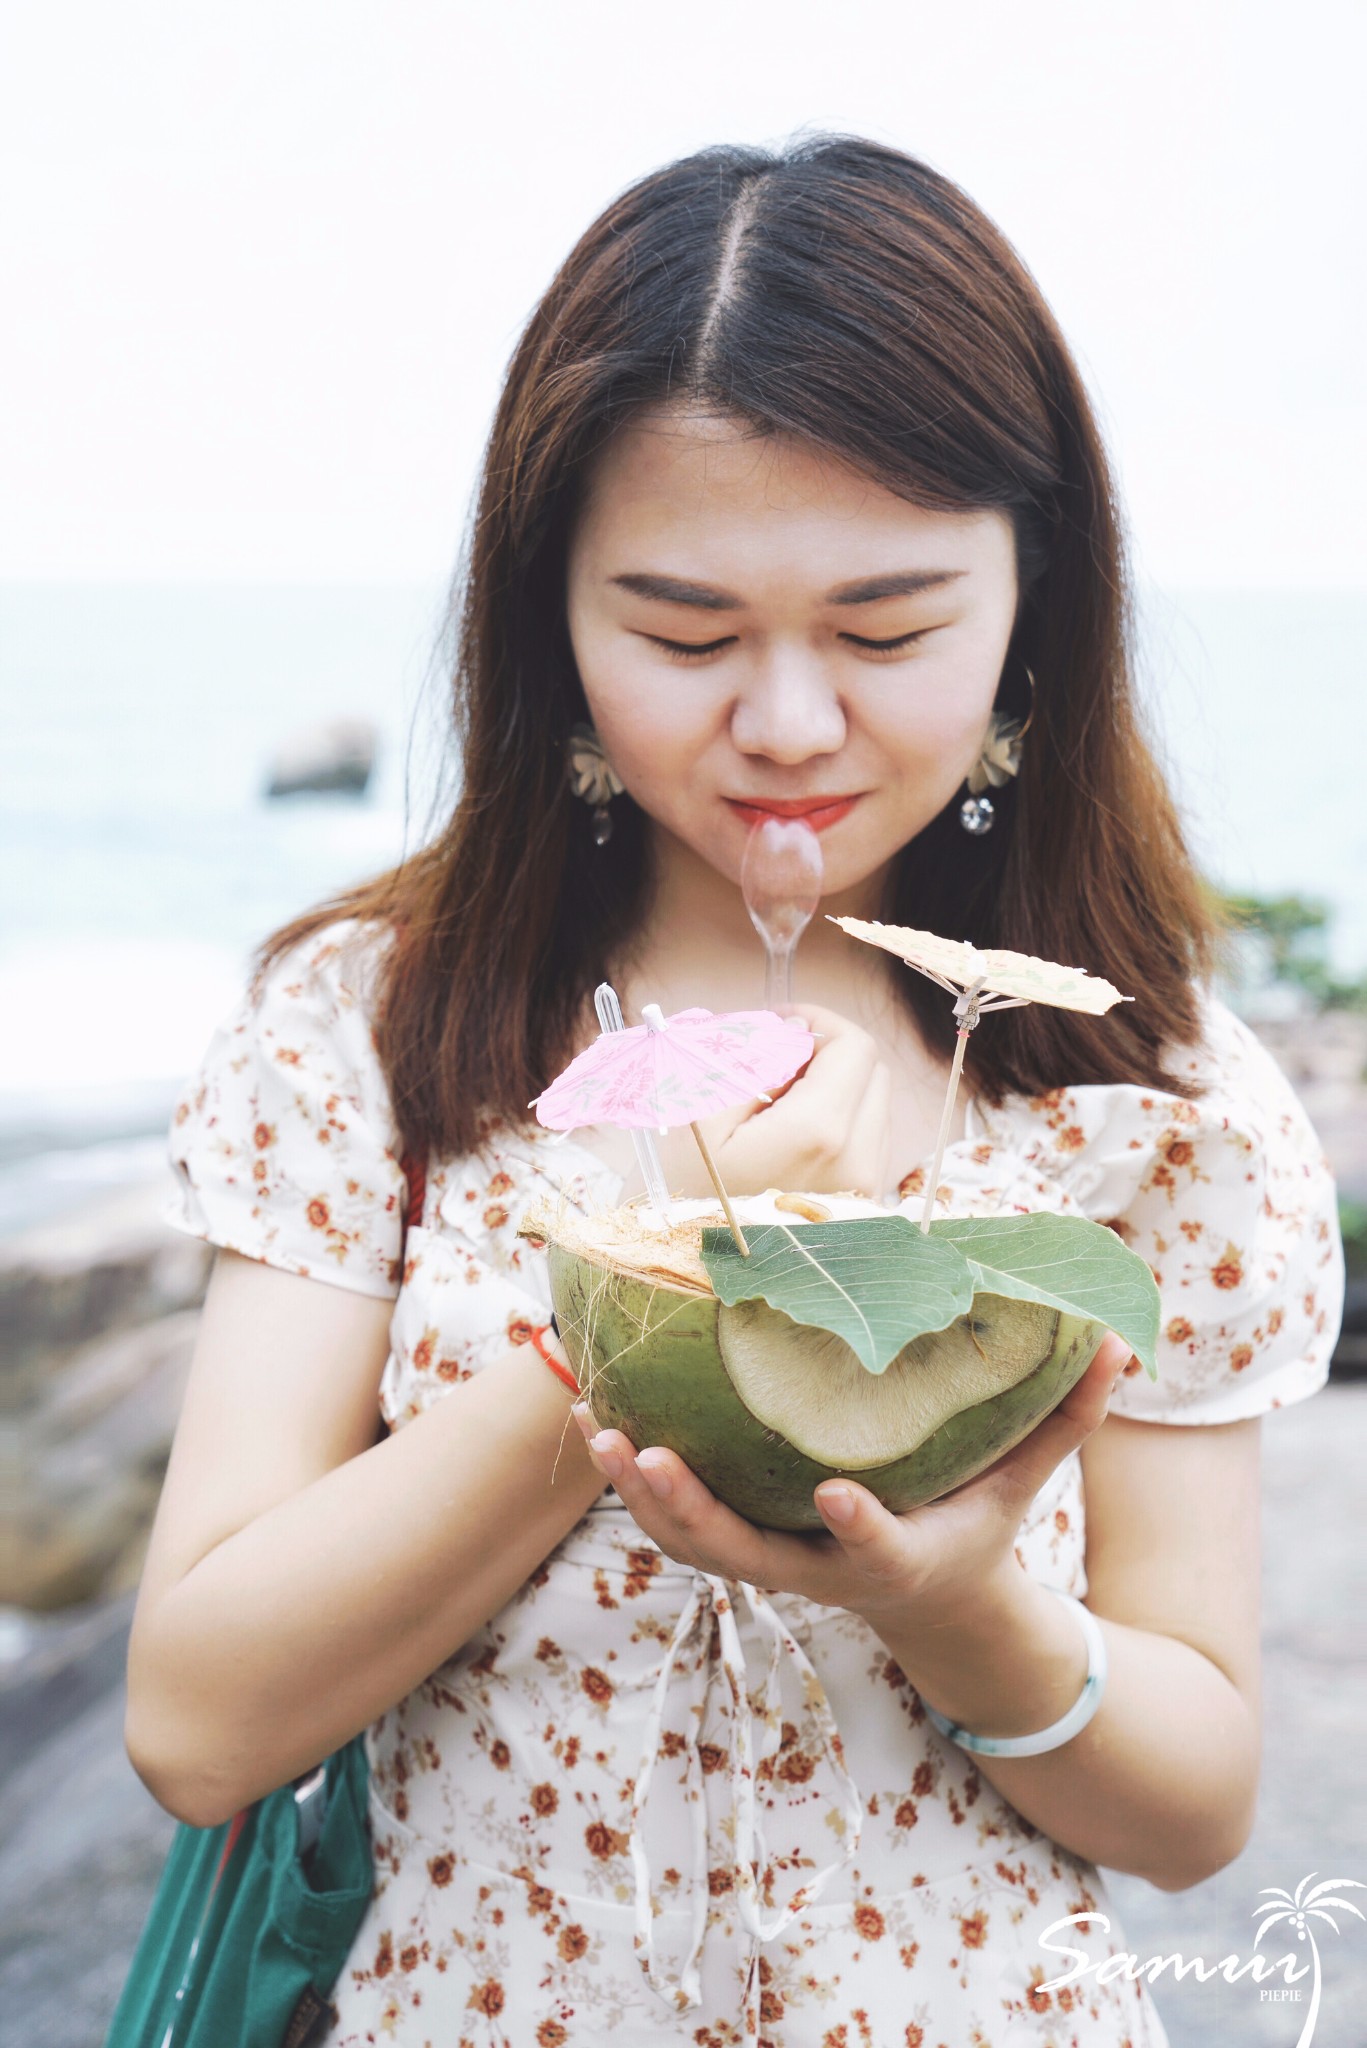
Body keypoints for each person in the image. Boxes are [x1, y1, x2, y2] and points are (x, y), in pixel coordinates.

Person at [125, 136, 1343, 2046]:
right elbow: (196, 1726)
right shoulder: (376, 1030)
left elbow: (1193, 1808)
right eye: (685, 634)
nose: (786, 723)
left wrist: (956, 1607)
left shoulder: (1151, 1088)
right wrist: (663, 1293)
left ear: (1040, 600)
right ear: (553, 620)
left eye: (888, 631)